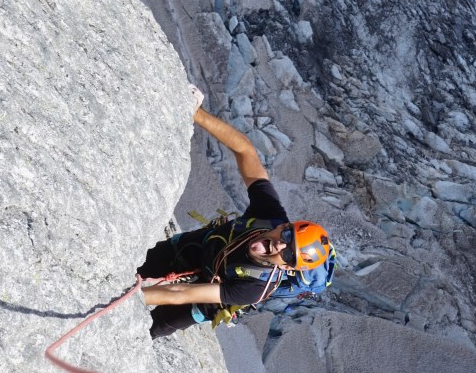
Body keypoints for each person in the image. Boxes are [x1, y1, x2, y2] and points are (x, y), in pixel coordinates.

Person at [138, 105, 334, 338]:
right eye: (288, 236)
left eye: (290, 255)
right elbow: (245, 150)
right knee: (140, 263)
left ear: (287, 267)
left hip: (215, 294)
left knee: (150, 327)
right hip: (203, 248)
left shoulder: (255, 288)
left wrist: (132, 300)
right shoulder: (269, 214)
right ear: (283, 226)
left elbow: (182, 293)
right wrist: (194, 112)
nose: (281, 246)